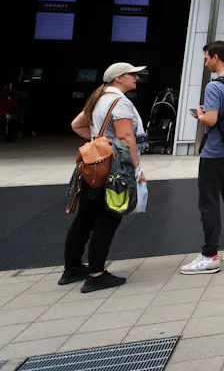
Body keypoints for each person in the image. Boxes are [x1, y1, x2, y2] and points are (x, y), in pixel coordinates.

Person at [63, 62, 147, 292]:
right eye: (133, 75)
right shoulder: (119, 102)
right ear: (119, 78)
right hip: (113, 168)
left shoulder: (98, 98)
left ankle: (71, 268)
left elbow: (76, 125)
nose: (137, 78)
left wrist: (96, 142)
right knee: (108, 217)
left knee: (85, 217)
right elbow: (126, 136)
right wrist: (136, 169)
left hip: (92, 166)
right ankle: (96, 274)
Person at [181, 41, 224, 275]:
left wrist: (199, 114)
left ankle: (209, 255)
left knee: (209, 203)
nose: (206, 62)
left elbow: (211, 119)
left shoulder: (213, 87)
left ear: (216, 57)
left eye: (207, 58)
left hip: (215, 151)